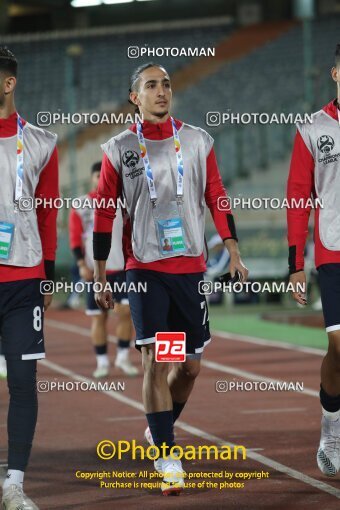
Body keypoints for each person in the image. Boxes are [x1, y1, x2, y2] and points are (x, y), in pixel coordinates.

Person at [93, 63, 248, 495]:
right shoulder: (119, 147)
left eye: (166, 84)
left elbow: (215, 194)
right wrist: (102, 272)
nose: (161, 91)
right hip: (146, 270)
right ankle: (167, 454)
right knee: (155, 362)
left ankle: (158, 428)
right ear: (134, 97)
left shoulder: (197, 140)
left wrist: (232, 248)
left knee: (191, 366)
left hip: (190, 269)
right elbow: (104, 212)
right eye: (151, 85)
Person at [0, 47, 58, 509]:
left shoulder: (42, 142)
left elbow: (48, 213)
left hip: (24, 279)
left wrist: (49, 274)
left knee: (22, 381)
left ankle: (14, 485)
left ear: (8, 82)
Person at [287, 43, 340, 477]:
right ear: (335, 73)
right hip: (333, 249)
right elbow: (296, 199)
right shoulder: (312, 129)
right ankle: (332, 428)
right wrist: (295, 262)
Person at [69, 162, 138, 377]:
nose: (100, 179)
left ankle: (123, 358)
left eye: (104, 175)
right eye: (97, 175)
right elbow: (74, 239)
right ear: (92, 178)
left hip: (121, 270)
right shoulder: (80, 205)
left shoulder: (124, 202)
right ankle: (102, 362)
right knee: (99, 317)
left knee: (126, 313)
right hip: (96, 273)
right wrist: (81, 264)